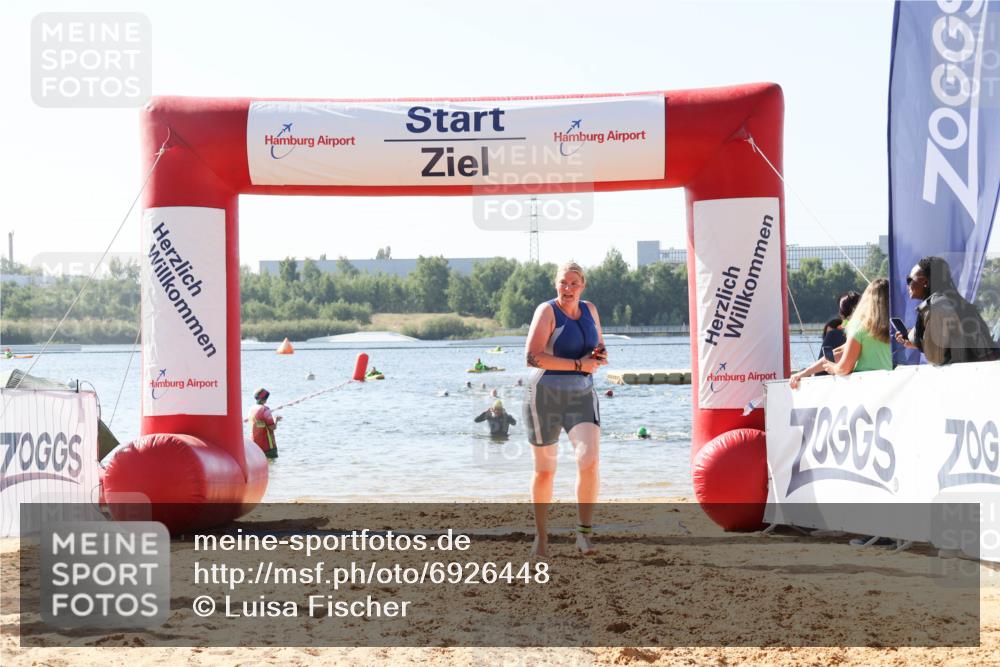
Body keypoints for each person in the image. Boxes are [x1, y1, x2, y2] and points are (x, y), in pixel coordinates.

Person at [524, 261, 608, 557]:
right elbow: (532, 357)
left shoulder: (591, 310)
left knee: (589, 461)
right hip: (544, 395)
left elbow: (599, 345)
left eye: (574, 283)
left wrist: (598, 357)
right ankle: (541, 537)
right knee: (546, 471)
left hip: (582, 394)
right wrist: (577, 364)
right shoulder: (547, 311)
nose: (568, 288)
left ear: (582, 285)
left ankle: (583, 535)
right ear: (555, 284)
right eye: (563, 283)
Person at [896, 256, 999, 365]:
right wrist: (915, 340)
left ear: (925, 281)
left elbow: (936, 356)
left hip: (962, 375)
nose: (907, 285)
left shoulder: (935, 305)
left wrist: (917, 341)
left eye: (909, 279)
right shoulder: (957, 303)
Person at [790, 278, 892, 389]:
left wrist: (832, 368)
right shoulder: (893, 328)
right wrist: (806, 372)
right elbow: (839, 351)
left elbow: (844, 367)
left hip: (864, 387)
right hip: (887, 387)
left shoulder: (859, 326)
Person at [249, 387, 281, 460]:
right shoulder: (265, 409)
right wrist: (276, 419)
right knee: (272, 466)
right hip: (268, 446)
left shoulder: (251, 409)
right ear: (265, 398)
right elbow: (272, 427)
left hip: (255, 445)